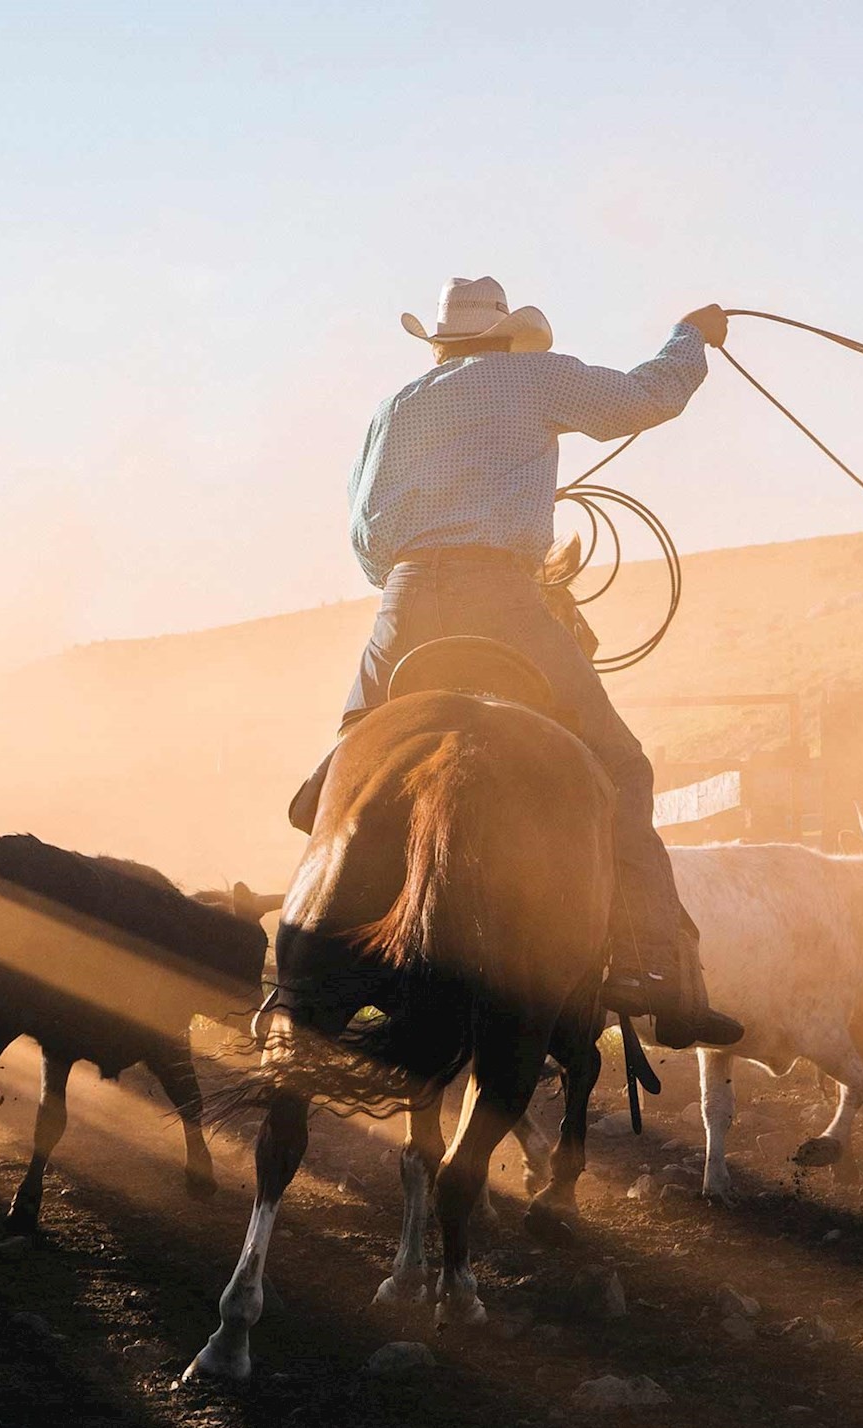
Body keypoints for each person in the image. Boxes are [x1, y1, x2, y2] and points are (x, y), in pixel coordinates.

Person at [327, 275, 744, 1049]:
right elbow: (646, 397)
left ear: (442, 342)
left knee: (344, 761)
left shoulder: (396, 407)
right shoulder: (535, 378)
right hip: (505, 600)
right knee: (621, 767)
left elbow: (363, 537)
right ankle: (653, 964)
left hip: (405, 598)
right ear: (506, 336)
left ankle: (313, 963)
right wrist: (692, 336)